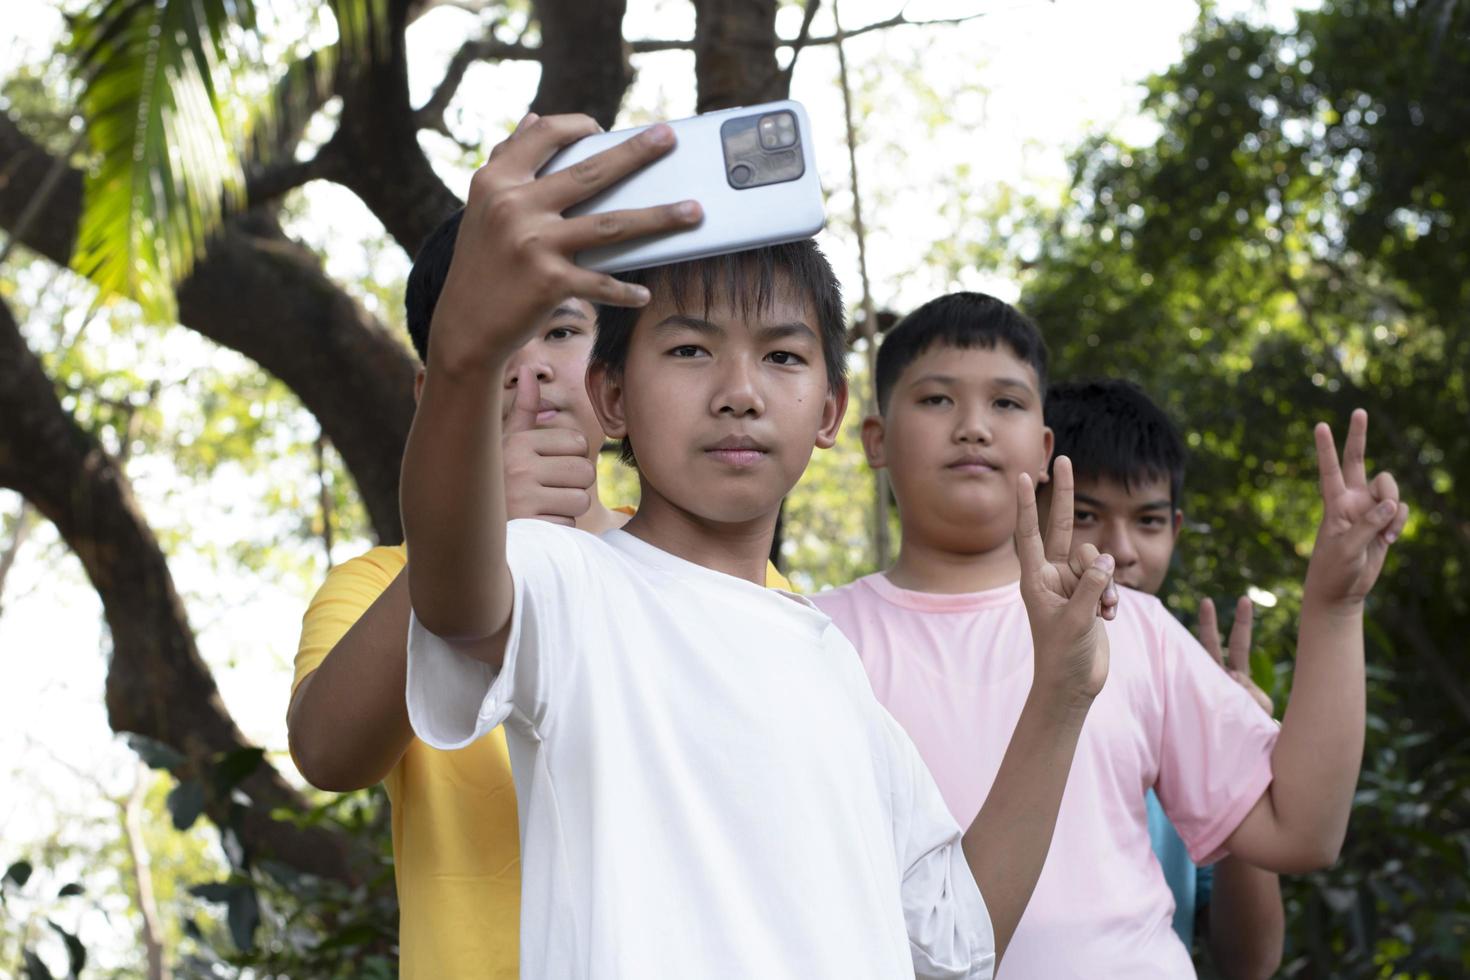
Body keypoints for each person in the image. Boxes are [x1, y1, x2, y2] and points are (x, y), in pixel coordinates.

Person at [398, 111, 1119, 978]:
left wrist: (1063, 694)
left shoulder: (830, 661)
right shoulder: (566, 578)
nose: (739, 392)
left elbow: (955, 941)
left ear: (829, 413)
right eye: (693, 348)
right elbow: (453, 598)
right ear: (612, 396)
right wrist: (466, 352)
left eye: (782, 357)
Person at [812, 292, 1407, 978]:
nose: (973, 426)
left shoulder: (1132, 625)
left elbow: (1300, 828)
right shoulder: (819, 640)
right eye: (937, 400)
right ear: (876, 439)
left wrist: (1333, 607)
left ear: (1043, 445)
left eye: (1005, 402)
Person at [287, 207, 793, 978]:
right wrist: (469, 529)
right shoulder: (377, 584)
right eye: (492, 342)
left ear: (615, 371)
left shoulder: (721, 568)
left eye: (560, 331)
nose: (531, 368)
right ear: (436, 390)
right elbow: (326, 752)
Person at [1044, 378, 1284, 978]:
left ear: (1175, 529)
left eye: (1148, 522)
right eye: (1087, 515)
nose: (1120, 550)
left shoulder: (1181, 685)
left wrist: (1240, 772)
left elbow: (1248, 963)